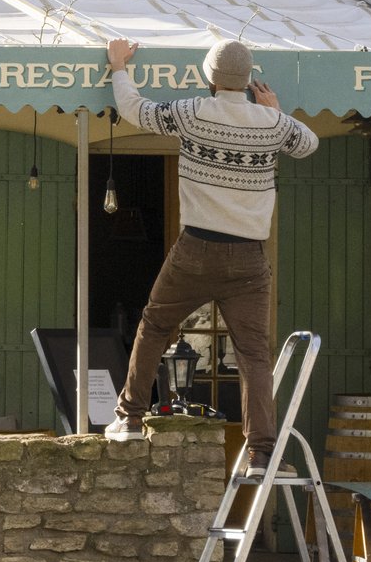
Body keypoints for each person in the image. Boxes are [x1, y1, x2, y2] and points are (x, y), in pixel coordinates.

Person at [104, 35, 318, 467]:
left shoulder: (191, 112)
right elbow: (308, 144)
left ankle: (128, 418)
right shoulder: (271, 124)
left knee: (154, 325)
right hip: (248, 258)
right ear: (248, 79)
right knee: (254, 353)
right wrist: (275, 112)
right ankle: (260, 452)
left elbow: (134, 109)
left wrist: (119, 66)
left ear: (209, 77)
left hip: (197, 248)